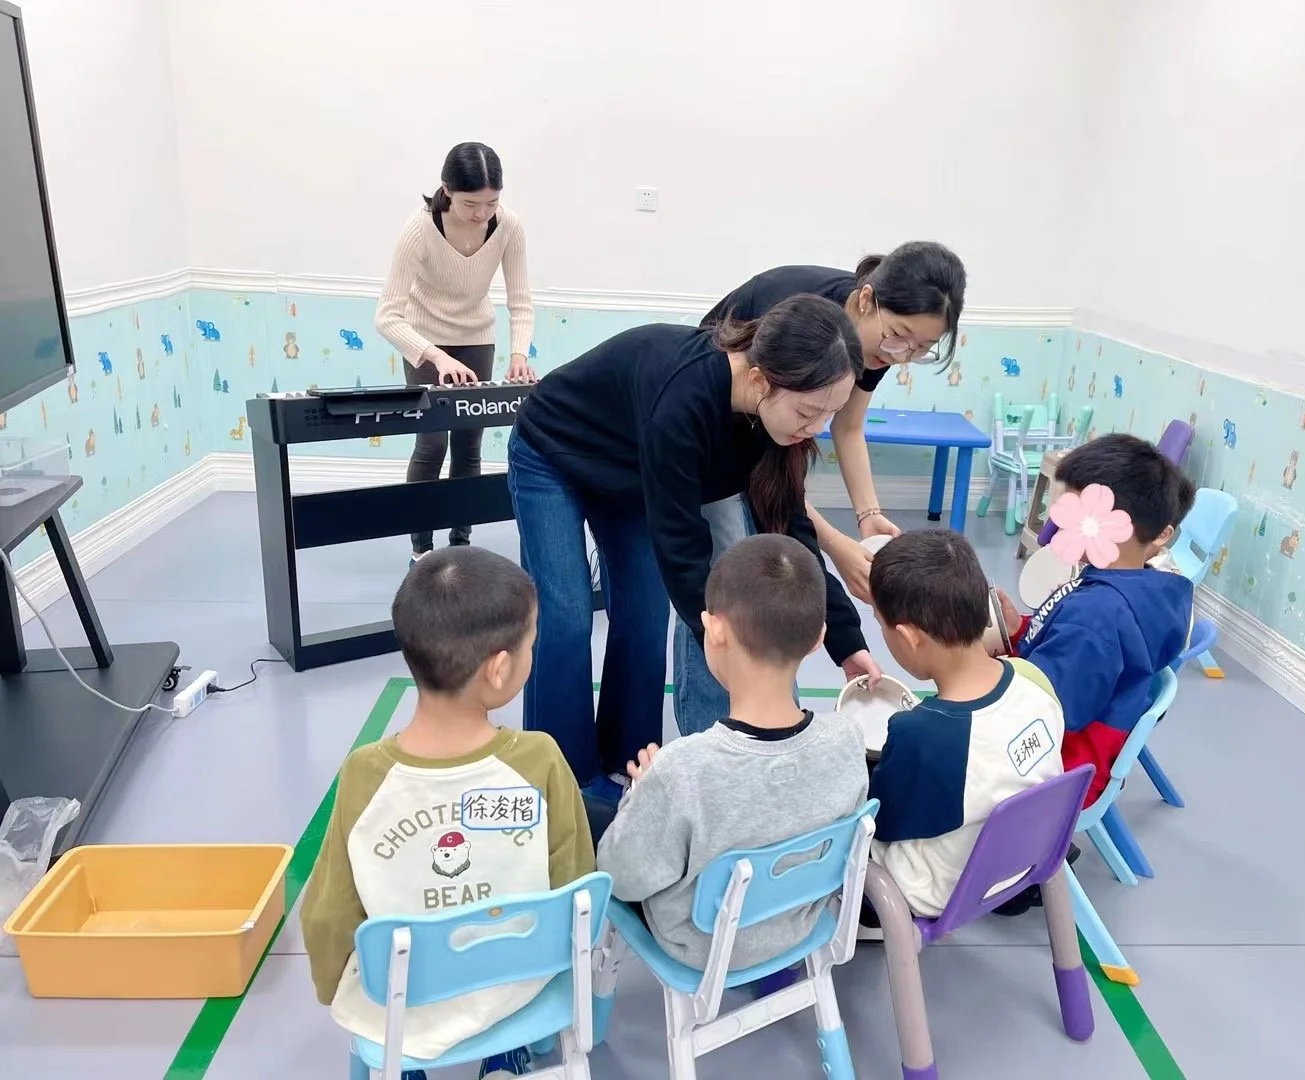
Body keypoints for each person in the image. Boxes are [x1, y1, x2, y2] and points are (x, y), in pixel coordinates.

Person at [507, 294, 881, 811]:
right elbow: (683, 551)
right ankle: (565, 778)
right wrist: (726, 641)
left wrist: (845, 639)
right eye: (809, 411)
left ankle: (629, 760)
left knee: (644, 611)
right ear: (760, 382)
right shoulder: (682, 403)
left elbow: (791, 527)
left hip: (629, 467)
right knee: (566, 616)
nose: (816, 427)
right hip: (555, 451)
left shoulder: (771, 421)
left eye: (831, 413)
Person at [299, 547, 592, 1079]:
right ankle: (505, 1052)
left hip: (401, 997)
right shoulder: (540, 759)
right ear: (500, 669)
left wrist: (334, 988)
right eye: (531, 644)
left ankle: (405, 1064)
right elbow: (574, 884)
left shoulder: (365, 775)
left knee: (385, 1009)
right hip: (515, 982)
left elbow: (327, 915)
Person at [595, 534, 869, 968]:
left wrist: (641, 794)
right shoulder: (848, 741)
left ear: (715, 629)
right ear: (819, 637)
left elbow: (622, 877)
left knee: (590, 814)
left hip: (701, 947)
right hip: (798, 922)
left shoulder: (680, 769)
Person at [699, 243, 968, 606]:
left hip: (770, 425)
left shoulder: (881, 342)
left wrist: (869, 515)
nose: (901, 356)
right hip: (720, 420)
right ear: (866, 300)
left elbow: (849, 426)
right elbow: (770, 466)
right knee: (728, 563)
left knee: (769, 553)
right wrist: (834, 545)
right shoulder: (793, 317)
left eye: (921, 348)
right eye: (900, 335)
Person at [864, 529, 1065, 923]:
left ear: (908, 637)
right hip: (1024, 858)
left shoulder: (921, 733)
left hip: (935, 888)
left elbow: (883, 823)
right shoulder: (1032, 680)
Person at [998, 434, 1197, 810]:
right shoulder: (1135, 589)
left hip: (1058, 772)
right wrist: (1019, 630)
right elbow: (1071, 659)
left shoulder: (1097, 614)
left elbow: (1048, 708)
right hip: (1087, 755)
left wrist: (984, 670)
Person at [375, 141, 536, 568]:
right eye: (471, 204)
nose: (482, 214)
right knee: (431, 445)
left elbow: (520, 300)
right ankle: (421, 550)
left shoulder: (509, 226)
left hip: (476, 339)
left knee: (470, 445)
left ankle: (460, 543)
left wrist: (518, 354)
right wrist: (436, 357)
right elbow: (387, 317)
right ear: (446, 190)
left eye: (492, 202)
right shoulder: (419, 229)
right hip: (425, 341)